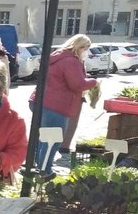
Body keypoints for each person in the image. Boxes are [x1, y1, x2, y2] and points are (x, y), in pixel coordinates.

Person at [29, 33, 98, 173]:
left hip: (40, 100)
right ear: (80, 47)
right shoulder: (71, 61)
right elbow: (77, 84)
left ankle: (38, 165)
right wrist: (94, 82)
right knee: (52, 140)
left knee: (42, 138)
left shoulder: (57, 56)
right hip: (56, 105)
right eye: (86, 49)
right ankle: (45, 169)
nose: (86, 52)